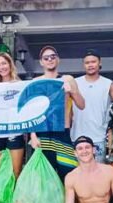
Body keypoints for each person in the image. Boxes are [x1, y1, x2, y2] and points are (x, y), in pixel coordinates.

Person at [30, 46, 85, 182]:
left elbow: (82, 105)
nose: (50, 60)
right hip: (42, 133)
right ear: (41, 62)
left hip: (62, 132)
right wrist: (32, 135)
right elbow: (30, 112)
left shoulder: (68, 79)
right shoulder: (36, 82)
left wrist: (72, 91)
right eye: (46, 58)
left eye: (53, 57)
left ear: (58, 60)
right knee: (43, 179)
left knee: (68, 176)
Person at [71, 49, 113, 163]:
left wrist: (112, 130)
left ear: (100, 63)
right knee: (79, 174)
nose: (90, 65)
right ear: (83, 65)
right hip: (77, 136)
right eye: (87, 63)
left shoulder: (108, 83)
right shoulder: (74, 82)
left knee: (98, 173)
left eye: (93, 62)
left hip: (99, 137)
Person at [0, 52, 25, 178]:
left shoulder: (20, 85)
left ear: (10, 64)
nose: (2, 67)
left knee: (15, 172)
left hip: (14, 133)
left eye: (4, 63)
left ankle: (14, 198)